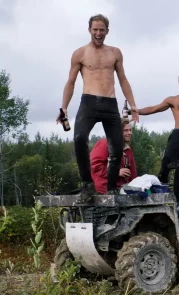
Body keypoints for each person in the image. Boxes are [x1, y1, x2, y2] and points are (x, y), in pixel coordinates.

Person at [57, 14, 140, 201]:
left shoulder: (115, 53)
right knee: (79, 138)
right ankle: (87, 184)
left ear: (107, 31)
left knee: (117, 148)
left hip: (110, 103)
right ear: (89, 30)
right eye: (95, 29)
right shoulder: (80, 53)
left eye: (102, 30)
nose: (98, 33)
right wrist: (63, 108)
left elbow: (123, 79)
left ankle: (111, 189)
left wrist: (133, 105)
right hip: (89, 102)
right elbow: (70, 82)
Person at [90, 119, 137, 194]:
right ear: (118, 131)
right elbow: (94, 166)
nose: (129, 133)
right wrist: (115, 172)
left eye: (130, 130)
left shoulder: (127, 149)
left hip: (122, 189)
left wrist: (135, 187)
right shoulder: (105, 144)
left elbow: (133, 172)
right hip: (104, 190)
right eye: (125, 130)